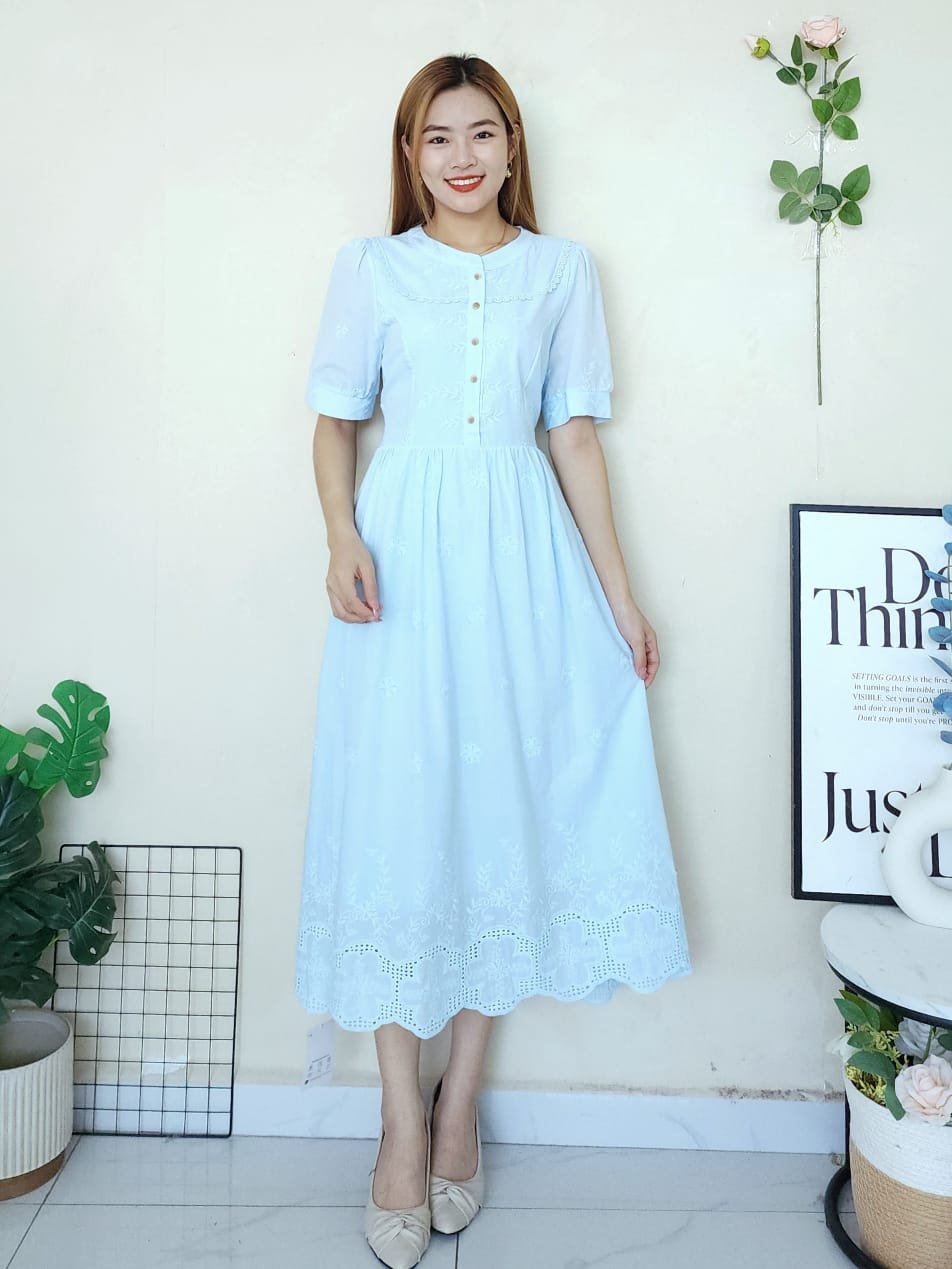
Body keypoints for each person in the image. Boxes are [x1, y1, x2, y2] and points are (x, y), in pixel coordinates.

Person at [294, 52, 693, 1268]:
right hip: (403, 570)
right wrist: (341, 535)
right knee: (399, 821)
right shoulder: (370, 269)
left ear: (513, 146)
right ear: (408, 157)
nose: (460, 157)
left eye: (480, 133)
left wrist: (619, 595)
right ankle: (396, 1122)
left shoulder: (562, 271)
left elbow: (571, 438)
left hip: (524, 571)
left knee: (497, 821)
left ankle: (457, 1101)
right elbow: (334, 420)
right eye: (435, 138)